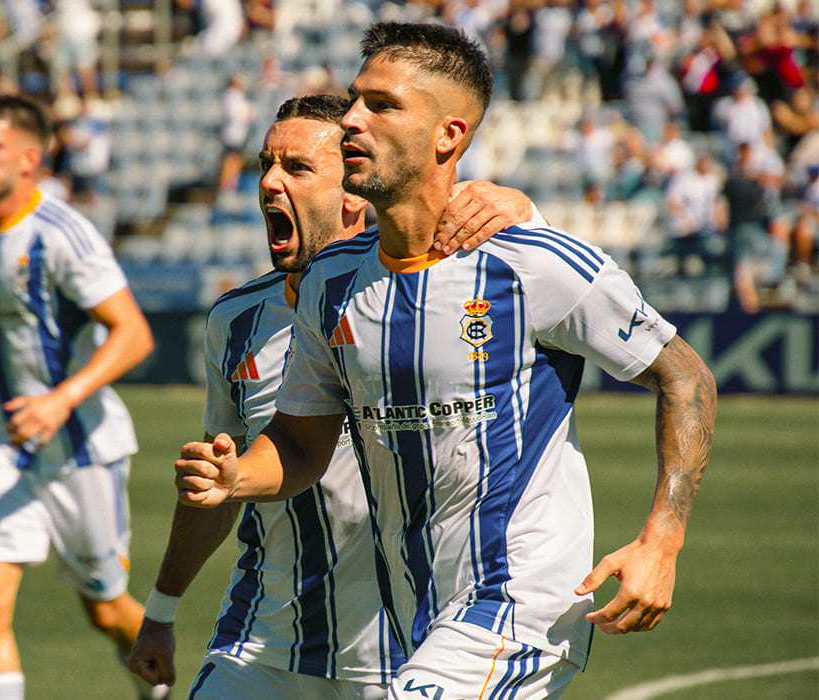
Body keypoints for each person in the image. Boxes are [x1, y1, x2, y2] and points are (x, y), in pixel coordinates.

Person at [175, 22, 716, 699]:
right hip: (415, 616)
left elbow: (685, 376)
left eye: (381, 104)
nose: (350, 120)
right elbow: (299, 444)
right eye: (352, 100)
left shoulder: (532, 262)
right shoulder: (331, 284)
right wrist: (236, 474)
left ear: (449, 135)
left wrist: (661, 541)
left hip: (521, 602)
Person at [129, 94, 538, 699]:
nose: (269, 182)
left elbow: (550, 288)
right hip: (263, 645)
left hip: (404, 658)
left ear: (354, 190)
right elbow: (222, 481)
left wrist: (528, 210)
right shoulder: (236, 320)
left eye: (296, 168)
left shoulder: (432, 298)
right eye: (266, 163)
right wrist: (161, 611)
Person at [0, 94, 165, 700]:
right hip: (1, 444)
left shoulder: (62, 233)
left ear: (29, 158)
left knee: (108, 611)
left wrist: (60, 400)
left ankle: (163, 688)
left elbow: (134, 334)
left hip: (78, 449)